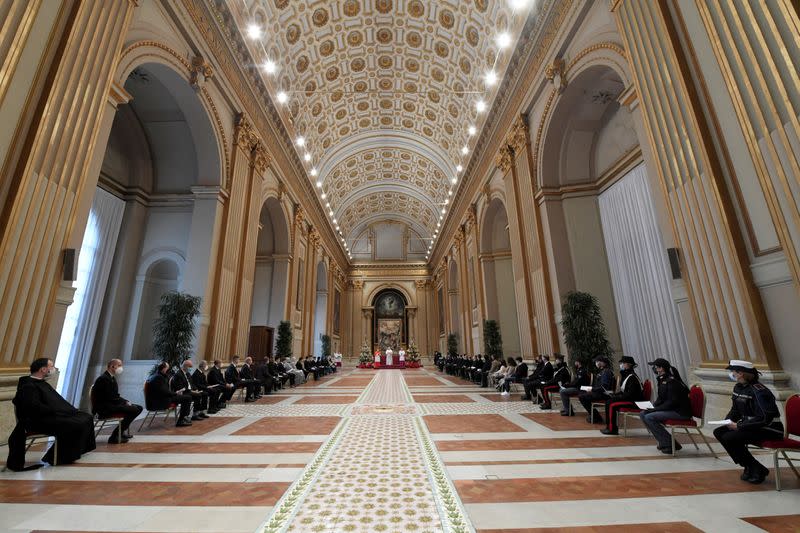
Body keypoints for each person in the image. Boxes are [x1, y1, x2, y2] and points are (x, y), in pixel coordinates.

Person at [6, 358, 96, 471]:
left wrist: (65, 410)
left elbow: (55, 402)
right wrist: (57, 411)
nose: (53, 369)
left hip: (49, 416)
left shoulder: (41, 383)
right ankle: (58, 457)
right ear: (43, 369)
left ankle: (72, 452)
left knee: (86, 417)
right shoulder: (28, 385)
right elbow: (34, 407)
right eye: (51, 366)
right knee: (74, 424)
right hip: (37, 421)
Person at [713, 360, 784, 484]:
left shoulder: (759, 391)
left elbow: (764, 418)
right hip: (751, 427)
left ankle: (754, 468)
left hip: (769, 429)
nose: (731, 374)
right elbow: (735, 410)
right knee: (719, 432)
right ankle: (750, 466)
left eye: (733, 371)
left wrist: (739, 426)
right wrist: (727, 421)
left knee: (730, 437)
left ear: (740, 373)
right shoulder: (739, 387)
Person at [639, 358, 692, 454]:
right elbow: (661, 399)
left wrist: (655, 409)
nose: (654, 369)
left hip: (680, 412)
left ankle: (670, 444)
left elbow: (672, 402)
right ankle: (664, 442)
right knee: (643, 413)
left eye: (655, 367)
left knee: (650, 417)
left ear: (661, 368)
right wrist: (652, 407)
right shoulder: (662, 380)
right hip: (672, 409)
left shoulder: (671, 381)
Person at [92, 358, 143, 443]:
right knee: (134, 409)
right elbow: (109, 397)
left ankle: (121, 432)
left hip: (111, 404)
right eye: (119, 365)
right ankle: (114, 436)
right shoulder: (103, 379)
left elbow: (115, 396)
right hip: (105, 408)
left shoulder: (111, 378)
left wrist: (126, 401)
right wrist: (124, 403)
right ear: (112, 366)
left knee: (139, 407)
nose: (121, 368)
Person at [600, 356, 644, 435]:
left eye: (623, 363)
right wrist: (615, 395)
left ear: (628, 365)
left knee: (611, 404)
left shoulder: (632, 377)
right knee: (610, 401)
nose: (621, 365)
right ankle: (610, 427)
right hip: (630, 399)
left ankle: (612, 429)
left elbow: (631, 394)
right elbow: (624, 391)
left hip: (634, 402)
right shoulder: (627, 375)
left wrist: (618, 397)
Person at [146, 361, 193, 426]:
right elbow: (164, 392)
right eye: (167, 368)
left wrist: (175, 393)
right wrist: (175, 393)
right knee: (187, 398)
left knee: (186, 397)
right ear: (164, 369)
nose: (168, 370)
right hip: (161, 401)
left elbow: (164, 391)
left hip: (160, 398)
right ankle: (181, 420)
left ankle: (183, 418)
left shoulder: (155, 375)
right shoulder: (159, 377)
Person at [578, 356, 616, 424]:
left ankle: (596, 417)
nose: (596, 363)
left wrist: (592, 389)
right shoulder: (603, 371)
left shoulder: (606, 372)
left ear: (602, 362)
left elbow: (604, 387)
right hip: (600, 392)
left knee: (582, 397)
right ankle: (594, 415)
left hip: (605, 394)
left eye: (597, 361)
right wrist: (591, 389)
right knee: (582, 394)